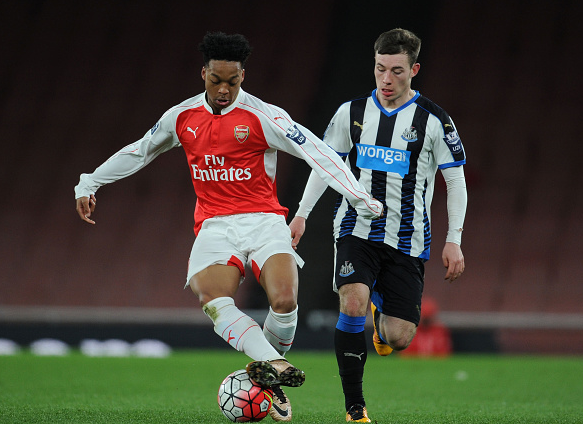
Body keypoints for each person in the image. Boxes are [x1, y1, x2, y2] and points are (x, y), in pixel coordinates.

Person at [74, 32, 382, 422]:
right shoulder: (181, 117)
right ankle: (276, 367)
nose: (223, 90)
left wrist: (357, 194)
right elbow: (140, 150)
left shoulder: (264, 117)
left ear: (243, 76)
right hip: (215, 225)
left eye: (232, 82)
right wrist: (91, 181)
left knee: (285, 302)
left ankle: (268, 381)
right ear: (202, 73)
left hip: (265, 219)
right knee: (212, 298)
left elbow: (316, 150)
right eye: (215, 80)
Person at [289, 28, 467, 422]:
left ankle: (380, 315)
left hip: (408, 238)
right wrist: (302, 212)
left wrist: (453, 240)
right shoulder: (350, 113)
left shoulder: (435, 121)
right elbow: (326, 164)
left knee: (398, 337)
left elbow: (455, 181)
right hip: (357, 226)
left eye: (397, 71)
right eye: (380, 69)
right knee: (352, 302)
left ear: (414, 69)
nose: (386, 80)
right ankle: (355, 408)